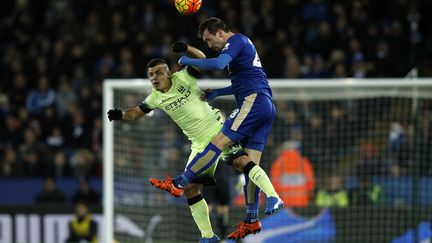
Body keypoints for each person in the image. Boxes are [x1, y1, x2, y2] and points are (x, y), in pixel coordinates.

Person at [150, 17, 284, 240]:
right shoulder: (242, 48)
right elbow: (240, 82)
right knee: (250, 166)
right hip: (264, 105)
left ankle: (180, 182)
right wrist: (217, 93)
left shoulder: (237, 41)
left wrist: (184, 59)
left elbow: (218, 64)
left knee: (217, 142)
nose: (209, 45)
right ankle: (252, 218)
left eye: (208, 39)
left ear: (220, 33)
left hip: (254, 102)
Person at [107, 42, 235, 242]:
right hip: (199, 145)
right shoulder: (155, 98)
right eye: (150, 75)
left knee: (244, 166)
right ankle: (209, 236)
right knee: (191, 190)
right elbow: (135, 114)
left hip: (217, 133)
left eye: (158, 73)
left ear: (168, 73)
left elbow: (202, 59)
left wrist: (187, 48)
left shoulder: (184, 76)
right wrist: (120, 114)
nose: (154, 78)